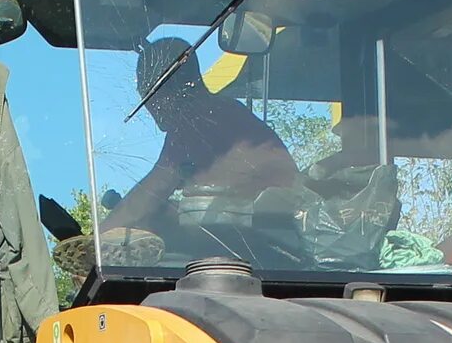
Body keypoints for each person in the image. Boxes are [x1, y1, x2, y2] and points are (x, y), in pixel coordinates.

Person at [98, 38, 301, 258]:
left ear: (167, 87)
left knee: (151, 226)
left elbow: (150, 194)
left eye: (147, 94)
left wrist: (96, 245)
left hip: (269, 248)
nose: (148, 107)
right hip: (275, 241)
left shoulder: (200, 120)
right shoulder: (226, 112)